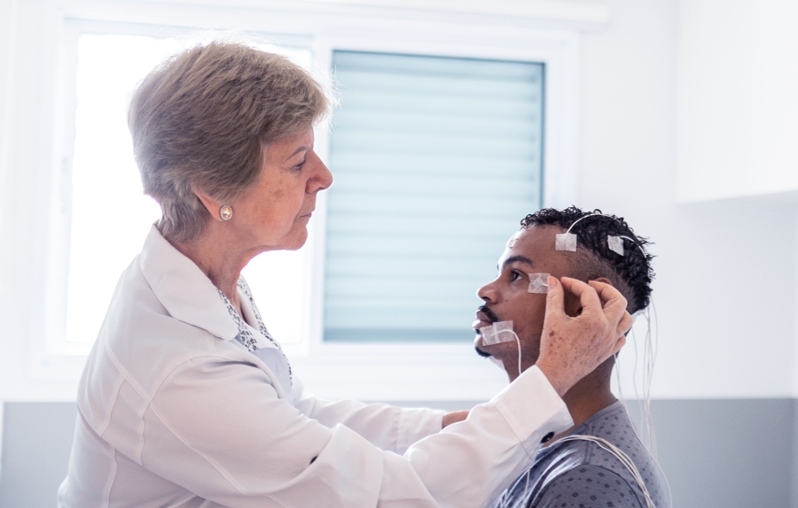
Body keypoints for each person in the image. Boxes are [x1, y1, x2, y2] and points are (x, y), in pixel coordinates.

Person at [57, 42, 632, 508]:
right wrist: (546, 385)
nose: (325, 176)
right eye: (297, 161)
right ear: (214, 193)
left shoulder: (201, 281)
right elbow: (395, 498)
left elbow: (293, 416)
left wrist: (460, 423)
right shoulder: (177, 367)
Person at [474, 207, 669, 508]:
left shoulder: (588, 478)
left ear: (585, 305)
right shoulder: (532, 443)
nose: (485, 291)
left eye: (516, 275)